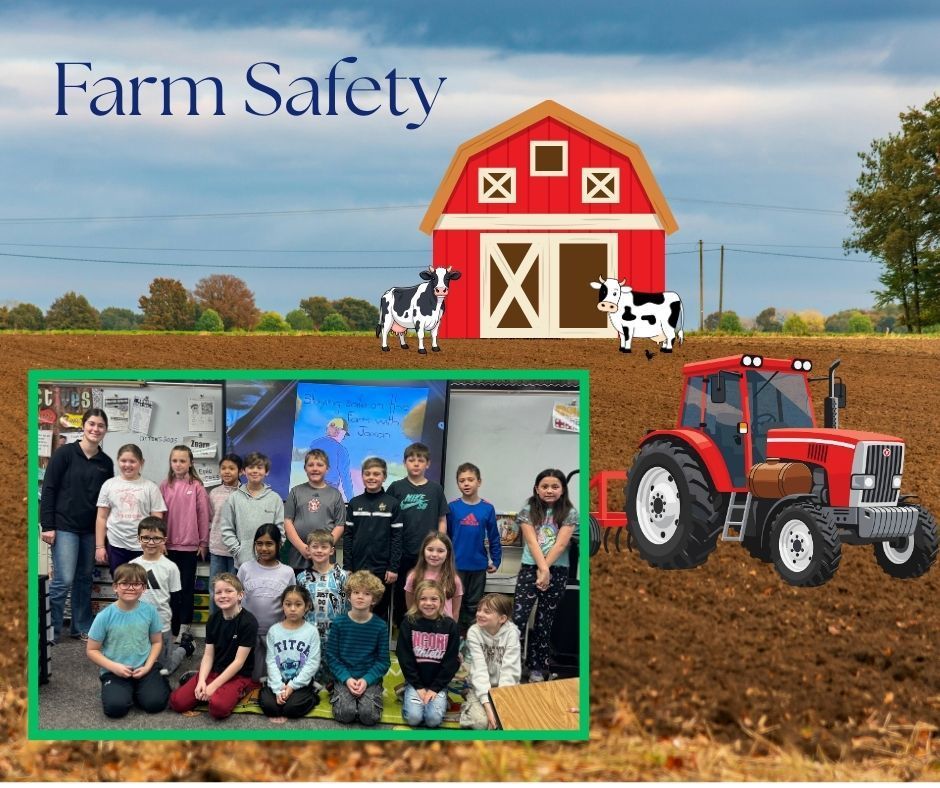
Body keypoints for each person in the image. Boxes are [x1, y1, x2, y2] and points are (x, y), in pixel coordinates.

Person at [41, 407, 113, 642]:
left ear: (105, 430)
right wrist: (48, 525)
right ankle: (49, 630)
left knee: (84, 579)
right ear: (83, 426)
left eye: (100, 426)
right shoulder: (65, 454)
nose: (95, 429)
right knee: (63, 580)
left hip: (90, 530)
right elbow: (49, 489)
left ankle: (80, 626)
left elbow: (106, 501)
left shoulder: (106, 462)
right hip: (64, 527)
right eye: (91, 424)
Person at [511, 469, 579, 683]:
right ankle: (511, 666)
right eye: (545, 486)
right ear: (537, 489)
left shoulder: (570, 513)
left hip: (557, 572)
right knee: (518, 620)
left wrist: (547, 570)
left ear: (562, 489)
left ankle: (538, 667)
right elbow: (531, 542)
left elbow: (561, 544)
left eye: (555, 486)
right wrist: (542, 569)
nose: (550, 490)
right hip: (531, 569)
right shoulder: (527, 510)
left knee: (544, 621)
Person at [169, 572, 259, 720]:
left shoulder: (249, 622)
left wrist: (213, 686)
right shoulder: (213, 620)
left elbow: (238, 663)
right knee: (177, 703)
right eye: (218, 592)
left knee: (218, 709)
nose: (223, 595)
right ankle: (197, 679)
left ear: (240, 595)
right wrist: (202, 681)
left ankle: (241, 689)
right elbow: (209, 655)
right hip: (214, 671)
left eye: (229, 591)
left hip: (237, 675)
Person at [86, 562, 169, 718]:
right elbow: (92, 650)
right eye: (124, 583)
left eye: (136, 584)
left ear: (143, 588)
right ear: (115, 587)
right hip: (115, 670)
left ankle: (153, 682)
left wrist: (148, 666)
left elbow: (157, 642)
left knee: (155, 705)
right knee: (115, 709)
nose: (130, 588)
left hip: (145, 667)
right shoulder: (104, 616)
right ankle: (127, 691)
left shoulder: (150, 611)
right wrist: (114, 667)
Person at [387, 442, 448, 629]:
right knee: (400, 596)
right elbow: (387, 520)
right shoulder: (396, 487)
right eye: (411, 460)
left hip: (427, 556)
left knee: (426, 593)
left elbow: (442, 520)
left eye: (420, 460)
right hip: (401, 553)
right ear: (404, 463)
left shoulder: (435, 489)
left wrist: (439, 546)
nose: (415, 464)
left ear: (427, 464)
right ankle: (401, 629)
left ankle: (422, 629)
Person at [160, 445, 210, 653]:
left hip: (190, 547)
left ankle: (184, 628)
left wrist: (203, 542)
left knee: (186, 589)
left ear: (191, 463)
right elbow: (159, 515)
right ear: (170, 463)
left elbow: (203, 515)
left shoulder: (197, 486)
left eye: (182, 460)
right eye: (175, 461)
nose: (178, 464)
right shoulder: (164, 486)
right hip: (168, 546)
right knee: (170, 590)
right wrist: (160, 540)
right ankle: (170, 630)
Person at [324, 570, 390, 726]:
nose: (360, 596)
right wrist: (346, 679)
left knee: (369, 716)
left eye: (367, 594)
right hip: (344, 678)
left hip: (369, 679)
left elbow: (383, 661)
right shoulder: (339, 623)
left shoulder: (380, 626)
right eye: (356, 592)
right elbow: (332, 657)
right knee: (345, 714)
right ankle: (337, 690)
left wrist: (366, 681)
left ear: (374, 599)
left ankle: (370, 694)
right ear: (349, 596)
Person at [130, 517, 194, 677]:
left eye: (156, 538)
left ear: (164, 540)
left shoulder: (171, 567)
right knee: (138, 666)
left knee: (164, 670)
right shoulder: (132, 566)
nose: (151, 542)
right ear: (139, 539)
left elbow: (176, 599)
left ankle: (184, 648)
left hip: (163, 625)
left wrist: (175, 629)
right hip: (138, 625)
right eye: (146, 537)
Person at [342, 457, 402, 623]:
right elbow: (348, 537)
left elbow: (397, 538)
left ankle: (378, 647)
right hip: (358, 567)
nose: (371, 477)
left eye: (376, 474)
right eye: (367, 474)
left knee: (380, 613)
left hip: (383, 570)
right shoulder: (354, 503)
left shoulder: (392, 504)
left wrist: (393, 567)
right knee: (358, 609)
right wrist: (348, 566)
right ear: (362, 476)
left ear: (384, 477)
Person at [396, 579, 460, 729]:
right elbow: (405, 658)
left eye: (434, 599)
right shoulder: (408, 622)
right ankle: (406, 692)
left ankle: (441, 698)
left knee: (433, 720)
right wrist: (417, 687)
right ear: (417, 601)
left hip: (438, 684)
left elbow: (451, 662)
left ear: (441, 601)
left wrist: (435, 689)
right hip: (415, 682)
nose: (428, 603)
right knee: (414, 718)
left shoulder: (450, 626)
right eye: (423, 599)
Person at [95, 443, 167, 575]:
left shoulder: (151, 487)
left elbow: (157, 519)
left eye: (132, 461)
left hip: (145, 546)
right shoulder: (109, 485)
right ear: (118, 461)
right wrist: (99, 546)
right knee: (120, 583)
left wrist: (158, 543)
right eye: (123, 461)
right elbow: (101, 517)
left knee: (144, 585)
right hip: (116, 545)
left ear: (141, 463)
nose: (127, 465)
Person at [446, 462, 502, 632]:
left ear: (479, 482)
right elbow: (445, 538)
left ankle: (470, 641)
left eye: (470, 479)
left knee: (473, 606)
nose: (466, 483)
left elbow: (494, 536)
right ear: (458, 484)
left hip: (478, 566)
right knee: (455, 605)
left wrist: (496, 560)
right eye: (461, 480)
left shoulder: (487, 508)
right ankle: (454, 643)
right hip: (455, 566)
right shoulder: (452, 507)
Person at [237, 524, 296, 680]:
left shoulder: (287, 572)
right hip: (249, 636)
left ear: (278, 545)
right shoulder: (245, 569)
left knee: (274, 678)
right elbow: (236, 601)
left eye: (269, 544)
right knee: (252, 677)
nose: (264, 548)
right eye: (259, 543)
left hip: (276, 636)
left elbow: (292, 604)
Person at [259, 585, 321, 722]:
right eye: (288, 604)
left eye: (298, 604)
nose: (293, 609)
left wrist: (292, 686)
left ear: (306, 606)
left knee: (290, 709)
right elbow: (271, 661)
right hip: (278, 680)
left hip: (301, 682)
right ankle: (275, 693)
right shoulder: (274, 631)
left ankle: (312, 695)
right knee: (271, 708)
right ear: (282, 606)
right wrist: (278, 689)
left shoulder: (311, 631)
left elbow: (313, 662)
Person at [460, 593, 521, 730]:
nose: (480, 614)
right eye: (479, 610)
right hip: (479, 687)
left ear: (502, 618)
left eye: (487, 612)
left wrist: (499, 705)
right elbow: (479, 670)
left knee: (507, 723)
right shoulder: (474, 632)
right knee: (481, 723)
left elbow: (509, 672)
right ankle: (469, 703)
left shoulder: (512, 634)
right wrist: (488, 706)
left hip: (505, 688)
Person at [295, 530, 348, 687]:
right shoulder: (302, 578)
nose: (319, 550)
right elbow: (299, 609)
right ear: (308, 550)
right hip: (311, 636)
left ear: (332, 550)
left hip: (336, 636)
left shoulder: (343, 576)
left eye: (324, 547)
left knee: (336, 679)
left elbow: (348, 607)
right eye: (315, 547)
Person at [219, 451, 285, 569]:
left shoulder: (275, 499)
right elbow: (226, 529)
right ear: (244, 471)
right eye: (251, 467)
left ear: (267, 472)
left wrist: (273, 550)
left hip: (269, 563)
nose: (255, 471)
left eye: (259, 467)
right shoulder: (233, 498)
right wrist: (238, 552)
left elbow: (280, 530)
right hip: (243, 564)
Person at [283, 449, 345, 572]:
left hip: (325, 557)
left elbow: (340, 525)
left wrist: (323, 547)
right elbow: (287, 521)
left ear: (327, 468)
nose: (315, 468)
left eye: (320, 465)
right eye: (310, 465)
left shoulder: (335, 494)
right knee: (298, 590)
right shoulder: (296, 492)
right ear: (305, 468)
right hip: (298, 555)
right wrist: (301, 547)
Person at [207, 453, 243, 612]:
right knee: (215, 589)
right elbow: (209, 519)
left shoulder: (245, 493)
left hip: (238, 551)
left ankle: (231, 626)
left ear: (241, 471)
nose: (227, 472)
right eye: (223, 468)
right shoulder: (214, 493)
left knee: (233, 590)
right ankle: (214, 626)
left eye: (231, 468)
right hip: (217, 549)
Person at [404, 532, 463, 623]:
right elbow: (411, 607)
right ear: (423, 551)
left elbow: (455, 611)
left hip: (444, 629)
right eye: (430, 549)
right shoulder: (413, 577)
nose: (434, 554)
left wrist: (452, 629)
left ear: (448, 553)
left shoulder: (454, 580)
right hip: (420, 627)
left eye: (440, 551)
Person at [309, 417, 354, 500]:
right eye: (344, 434)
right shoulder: (341, 450)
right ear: (338, 431)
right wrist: (351, 500)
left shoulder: (314, 443)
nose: (343, 437)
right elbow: (345, 477)